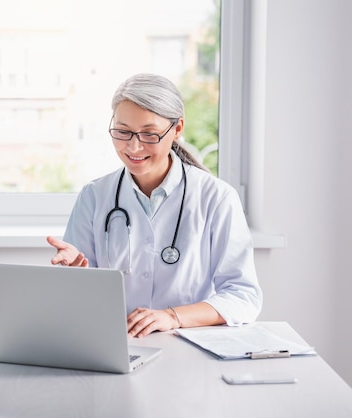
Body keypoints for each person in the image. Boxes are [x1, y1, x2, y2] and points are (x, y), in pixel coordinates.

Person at [46, 73, 262, 338]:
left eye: (149, 134)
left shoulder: (215, 198)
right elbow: (78, 299)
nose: (134, 146)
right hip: (116, 345)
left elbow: (243, 296)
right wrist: (73, 278)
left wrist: (173, 317)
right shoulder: (94, 196)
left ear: (177, 129)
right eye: (123, 132)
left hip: (188, 348)